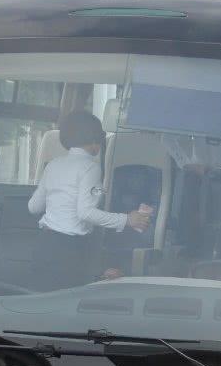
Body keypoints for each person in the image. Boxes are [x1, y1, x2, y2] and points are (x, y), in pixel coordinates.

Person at [27, 111, 151, 291]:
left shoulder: (53, 165)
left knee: (41, 300)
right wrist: (127, 220)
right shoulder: (90, 168)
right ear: (94, 141)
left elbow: (33, 207)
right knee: (68, 302)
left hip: (44, 246)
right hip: (69, 251)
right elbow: (86, 213)